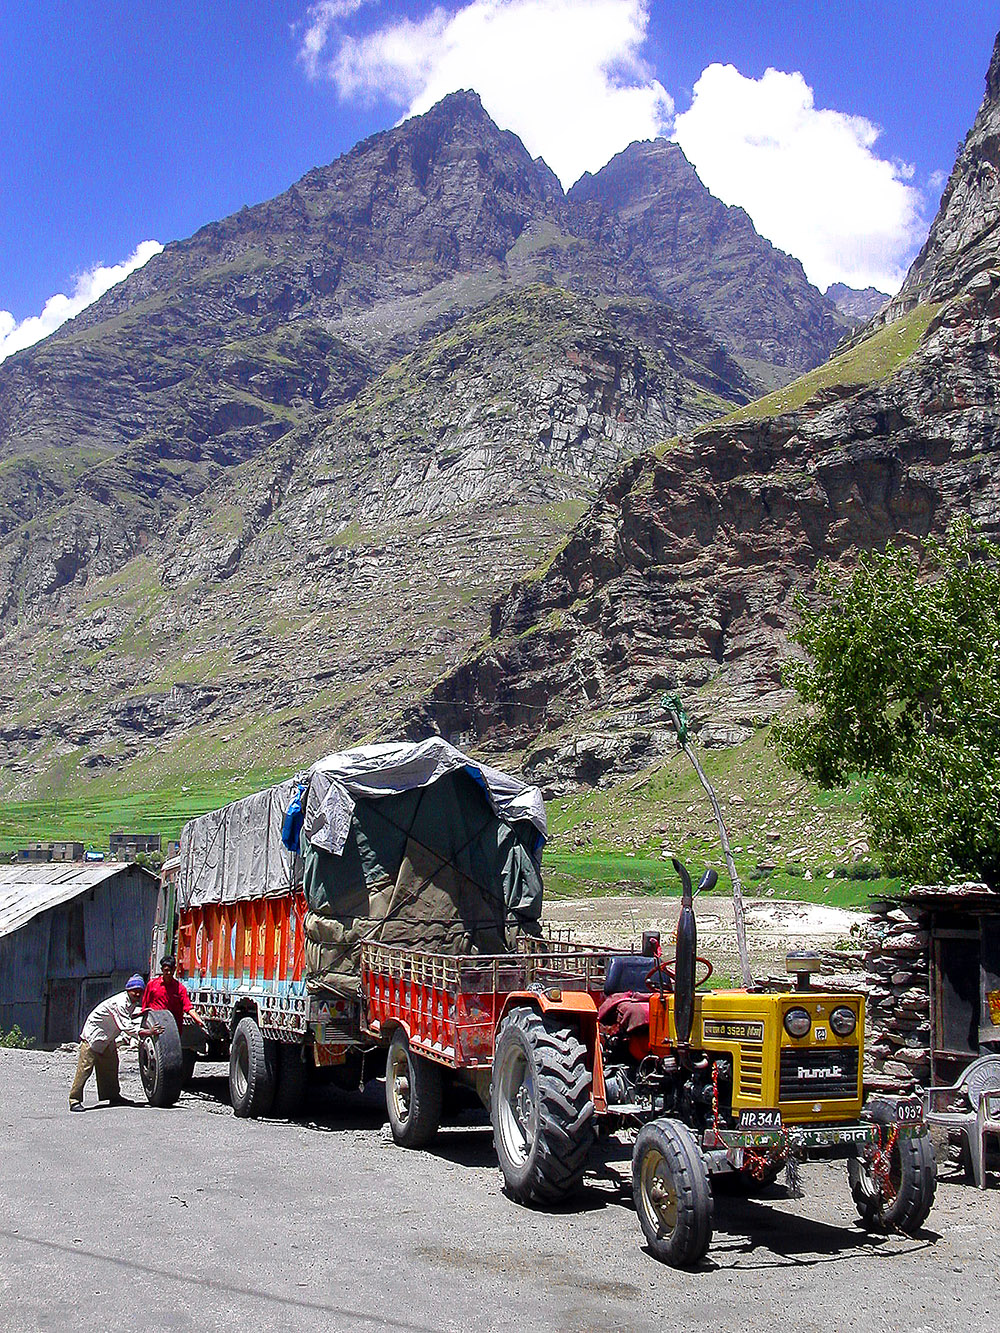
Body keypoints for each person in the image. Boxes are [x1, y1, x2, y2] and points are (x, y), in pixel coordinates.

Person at [69, 975, 148, 1111]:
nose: (137, 993)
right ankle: (74, 1100)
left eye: (140, 991)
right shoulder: (120, 1002)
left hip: (107, 1038)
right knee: (84, 1069)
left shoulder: (130, 1002)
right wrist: (146, 1032)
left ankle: (112, 1095)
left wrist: (142, 1012)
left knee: (111, 1067)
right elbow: (126, 1026)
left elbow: (128, 1014)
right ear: (128, 989)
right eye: (134, 990)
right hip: (93, 1037)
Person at [142, 953, 207, 1040]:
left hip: (173, 1027)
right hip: (156, 1025)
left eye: (171, 970)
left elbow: (188, 1007)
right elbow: (145, 1005)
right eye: (166, 970)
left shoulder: (180, 988)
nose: (168, 973)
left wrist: (198, 1019)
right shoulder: (152, 985)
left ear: (174, 970)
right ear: (162, 970)